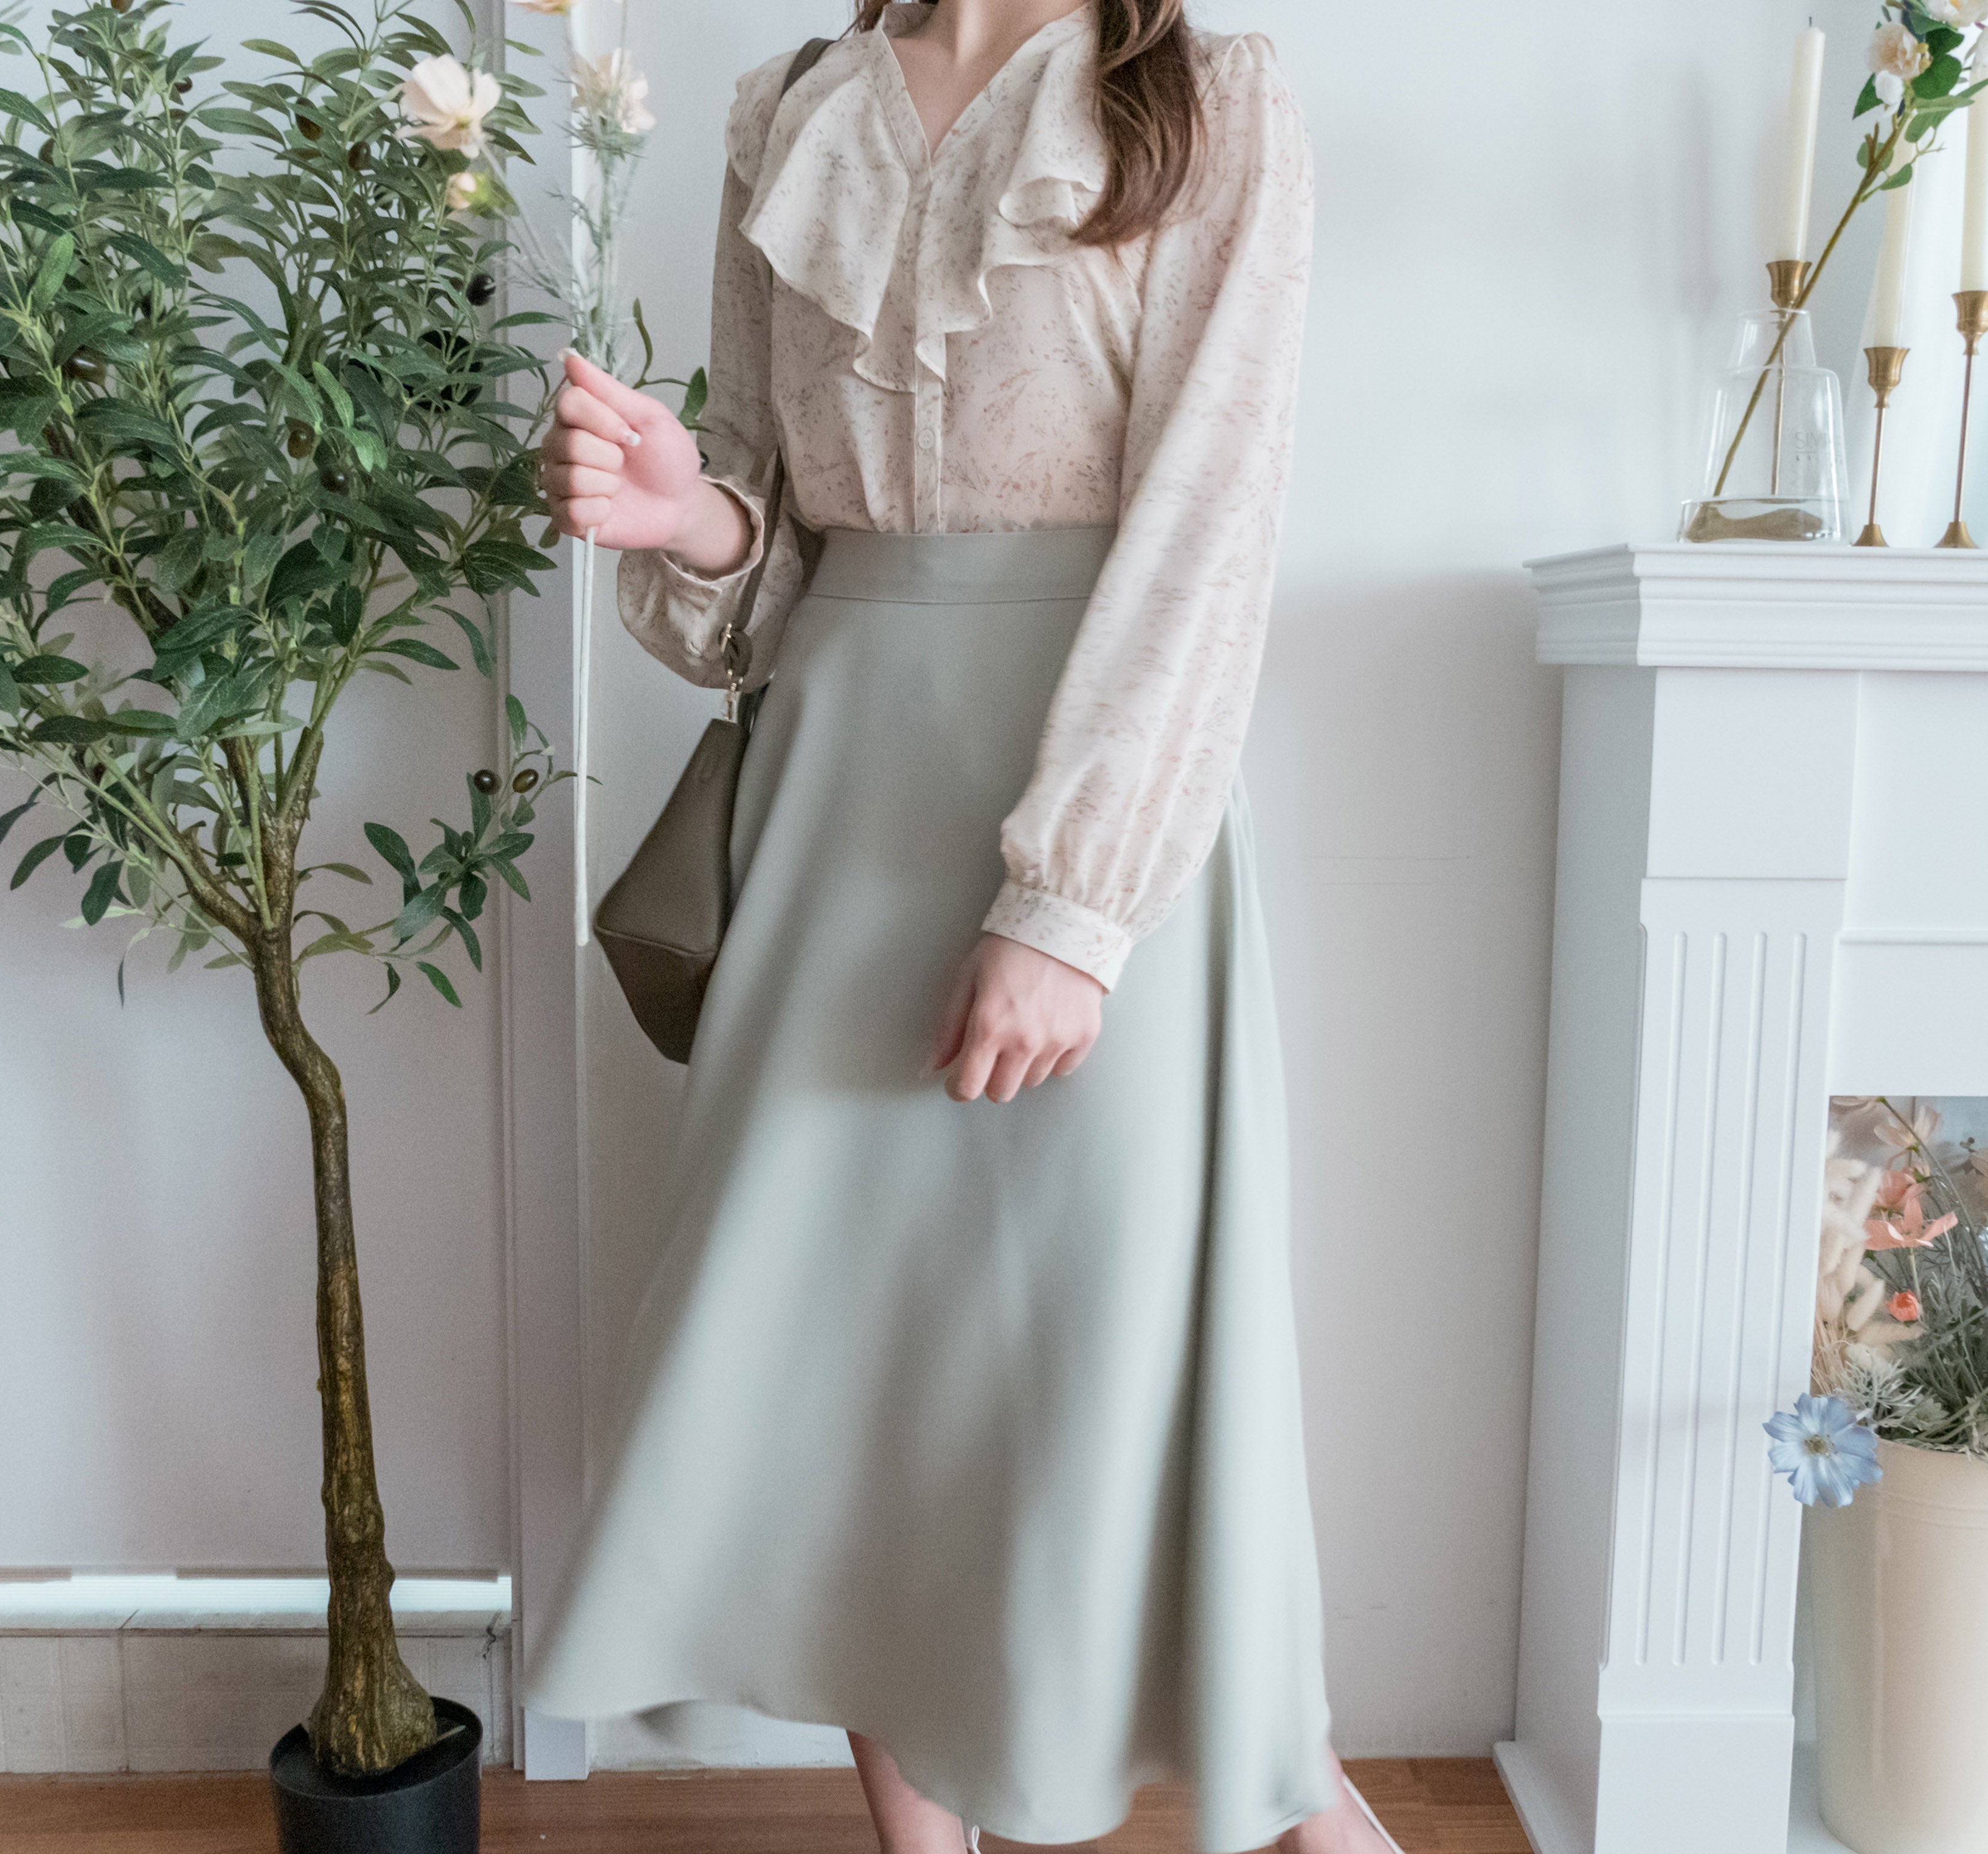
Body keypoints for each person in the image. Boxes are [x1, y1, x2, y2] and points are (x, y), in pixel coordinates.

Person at [518, 7, 1392, 1853]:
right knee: (852, 1358)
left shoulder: (1203, 104)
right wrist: (687, 516)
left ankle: (1309, 1806)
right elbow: (772, 553)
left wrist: (1070, 902)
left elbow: (1211, 531)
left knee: (1118, 1357)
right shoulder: (791, 110)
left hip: (1096, 810)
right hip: (839, 794)